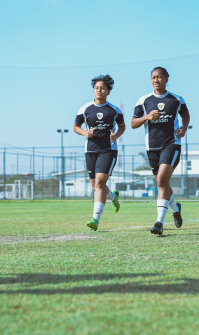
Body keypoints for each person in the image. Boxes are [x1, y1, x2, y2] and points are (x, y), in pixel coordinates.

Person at [131, 67, 190, 235]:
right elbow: (133, 123)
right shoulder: (144, 100)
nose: (156, 80)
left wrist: (184, 128)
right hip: (152, 147)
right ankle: (175, 209)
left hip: (172, 144)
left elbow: (186, 115)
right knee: (162, 183)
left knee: (162, 180)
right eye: (153, 77)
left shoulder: (176, 99)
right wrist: (147, 117)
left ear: (166, 78)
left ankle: (159, 222)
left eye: (159, 77)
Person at [73, 75, 125, 231]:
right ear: (93, 90)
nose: (99, 90)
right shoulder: (85, 109)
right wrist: (85, 133)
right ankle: (113, 197)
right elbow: (76, 126)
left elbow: (122, 126)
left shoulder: (114, 110)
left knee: (100, 183)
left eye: (103, 88)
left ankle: (95, 219)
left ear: (108, 91)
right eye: (96, 88)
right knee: (96, 187)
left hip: (108, 150)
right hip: (90, 150)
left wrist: (116, 136)